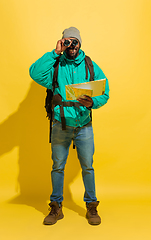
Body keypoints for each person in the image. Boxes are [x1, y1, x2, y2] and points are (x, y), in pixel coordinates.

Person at [29, 27, 109, 226]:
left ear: (80, 42)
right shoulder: (55, 66)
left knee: (88, 167)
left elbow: (104, 92)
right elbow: (34, 72)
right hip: (60, 125)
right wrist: (55, 52)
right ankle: (56, 206)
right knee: (57, 167)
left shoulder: (89, 65)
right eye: (67, 42)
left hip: (84, 125)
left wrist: (94, 103)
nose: (71, 46)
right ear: (62, 43)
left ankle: (91, 205)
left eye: (74, 41)